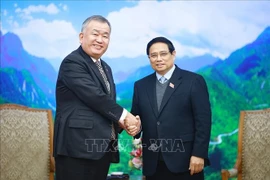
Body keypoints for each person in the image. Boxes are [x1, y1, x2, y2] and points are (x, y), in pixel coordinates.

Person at [53, 15, 140, 180]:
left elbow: (105, 106)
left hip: (101, 149)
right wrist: (126, 116)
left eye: (105, 36)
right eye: (95, 34)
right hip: (76, 148)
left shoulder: (105, 67)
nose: (100, 40)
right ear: (81, 37)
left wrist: (123, 124)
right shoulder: (72, 62)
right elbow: (95, 97)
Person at [131, 37, 212, 180]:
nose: (158, 59)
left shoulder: (193, 81)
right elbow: (136, 118)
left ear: (173, 54)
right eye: (153, 55)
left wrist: (199, 154)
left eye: (163, 54)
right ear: (149, 58)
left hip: (186, 161)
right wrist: (134, 126)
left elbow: (203, 122)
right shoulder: (141, 86)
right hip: (153, 163)